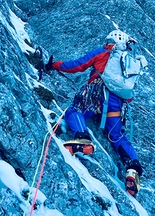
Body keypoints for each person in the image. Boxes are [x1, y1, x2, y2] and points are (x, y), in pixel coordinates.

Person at [45, 30, 145, 197]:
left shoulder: (103, 53)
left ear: (112, 41)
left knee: (74, 111)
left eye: (108, 41)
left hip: (96, 93)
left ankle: (83, 138)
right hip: (116, 104)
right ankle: (132, 169)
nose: (105, 44)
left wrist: (54, 65)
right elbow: (129, 93)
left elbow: (77, 65)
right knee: (117, 136)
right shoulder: (128, 63)